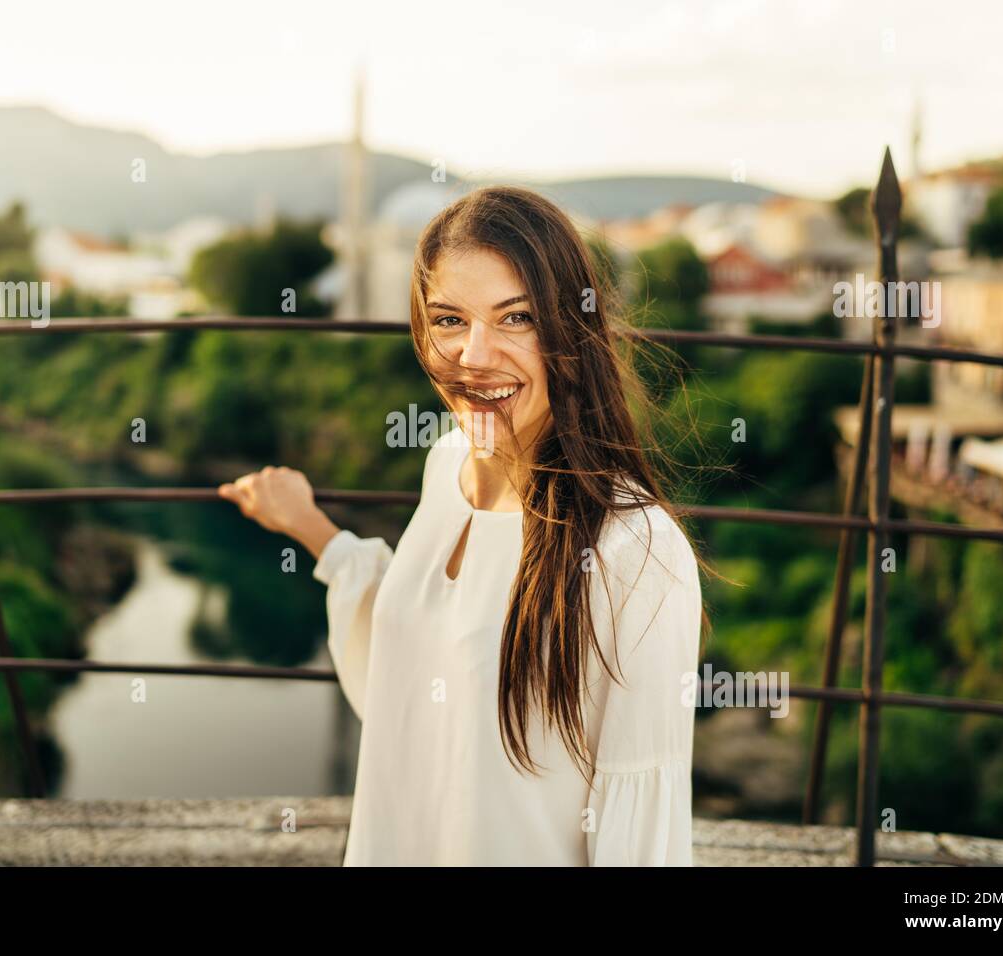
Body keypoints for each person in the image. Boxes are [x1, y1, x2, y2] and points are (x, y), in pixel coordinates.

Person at [218, 185, 707, 866]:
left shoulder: (634, 552)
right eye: (450, 320)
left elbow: (641, 835)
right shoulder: (447, 465)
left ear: (572, 331)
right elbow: (418, 657)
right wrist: (312, 531)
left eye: (518, 318)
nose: (474, 356)